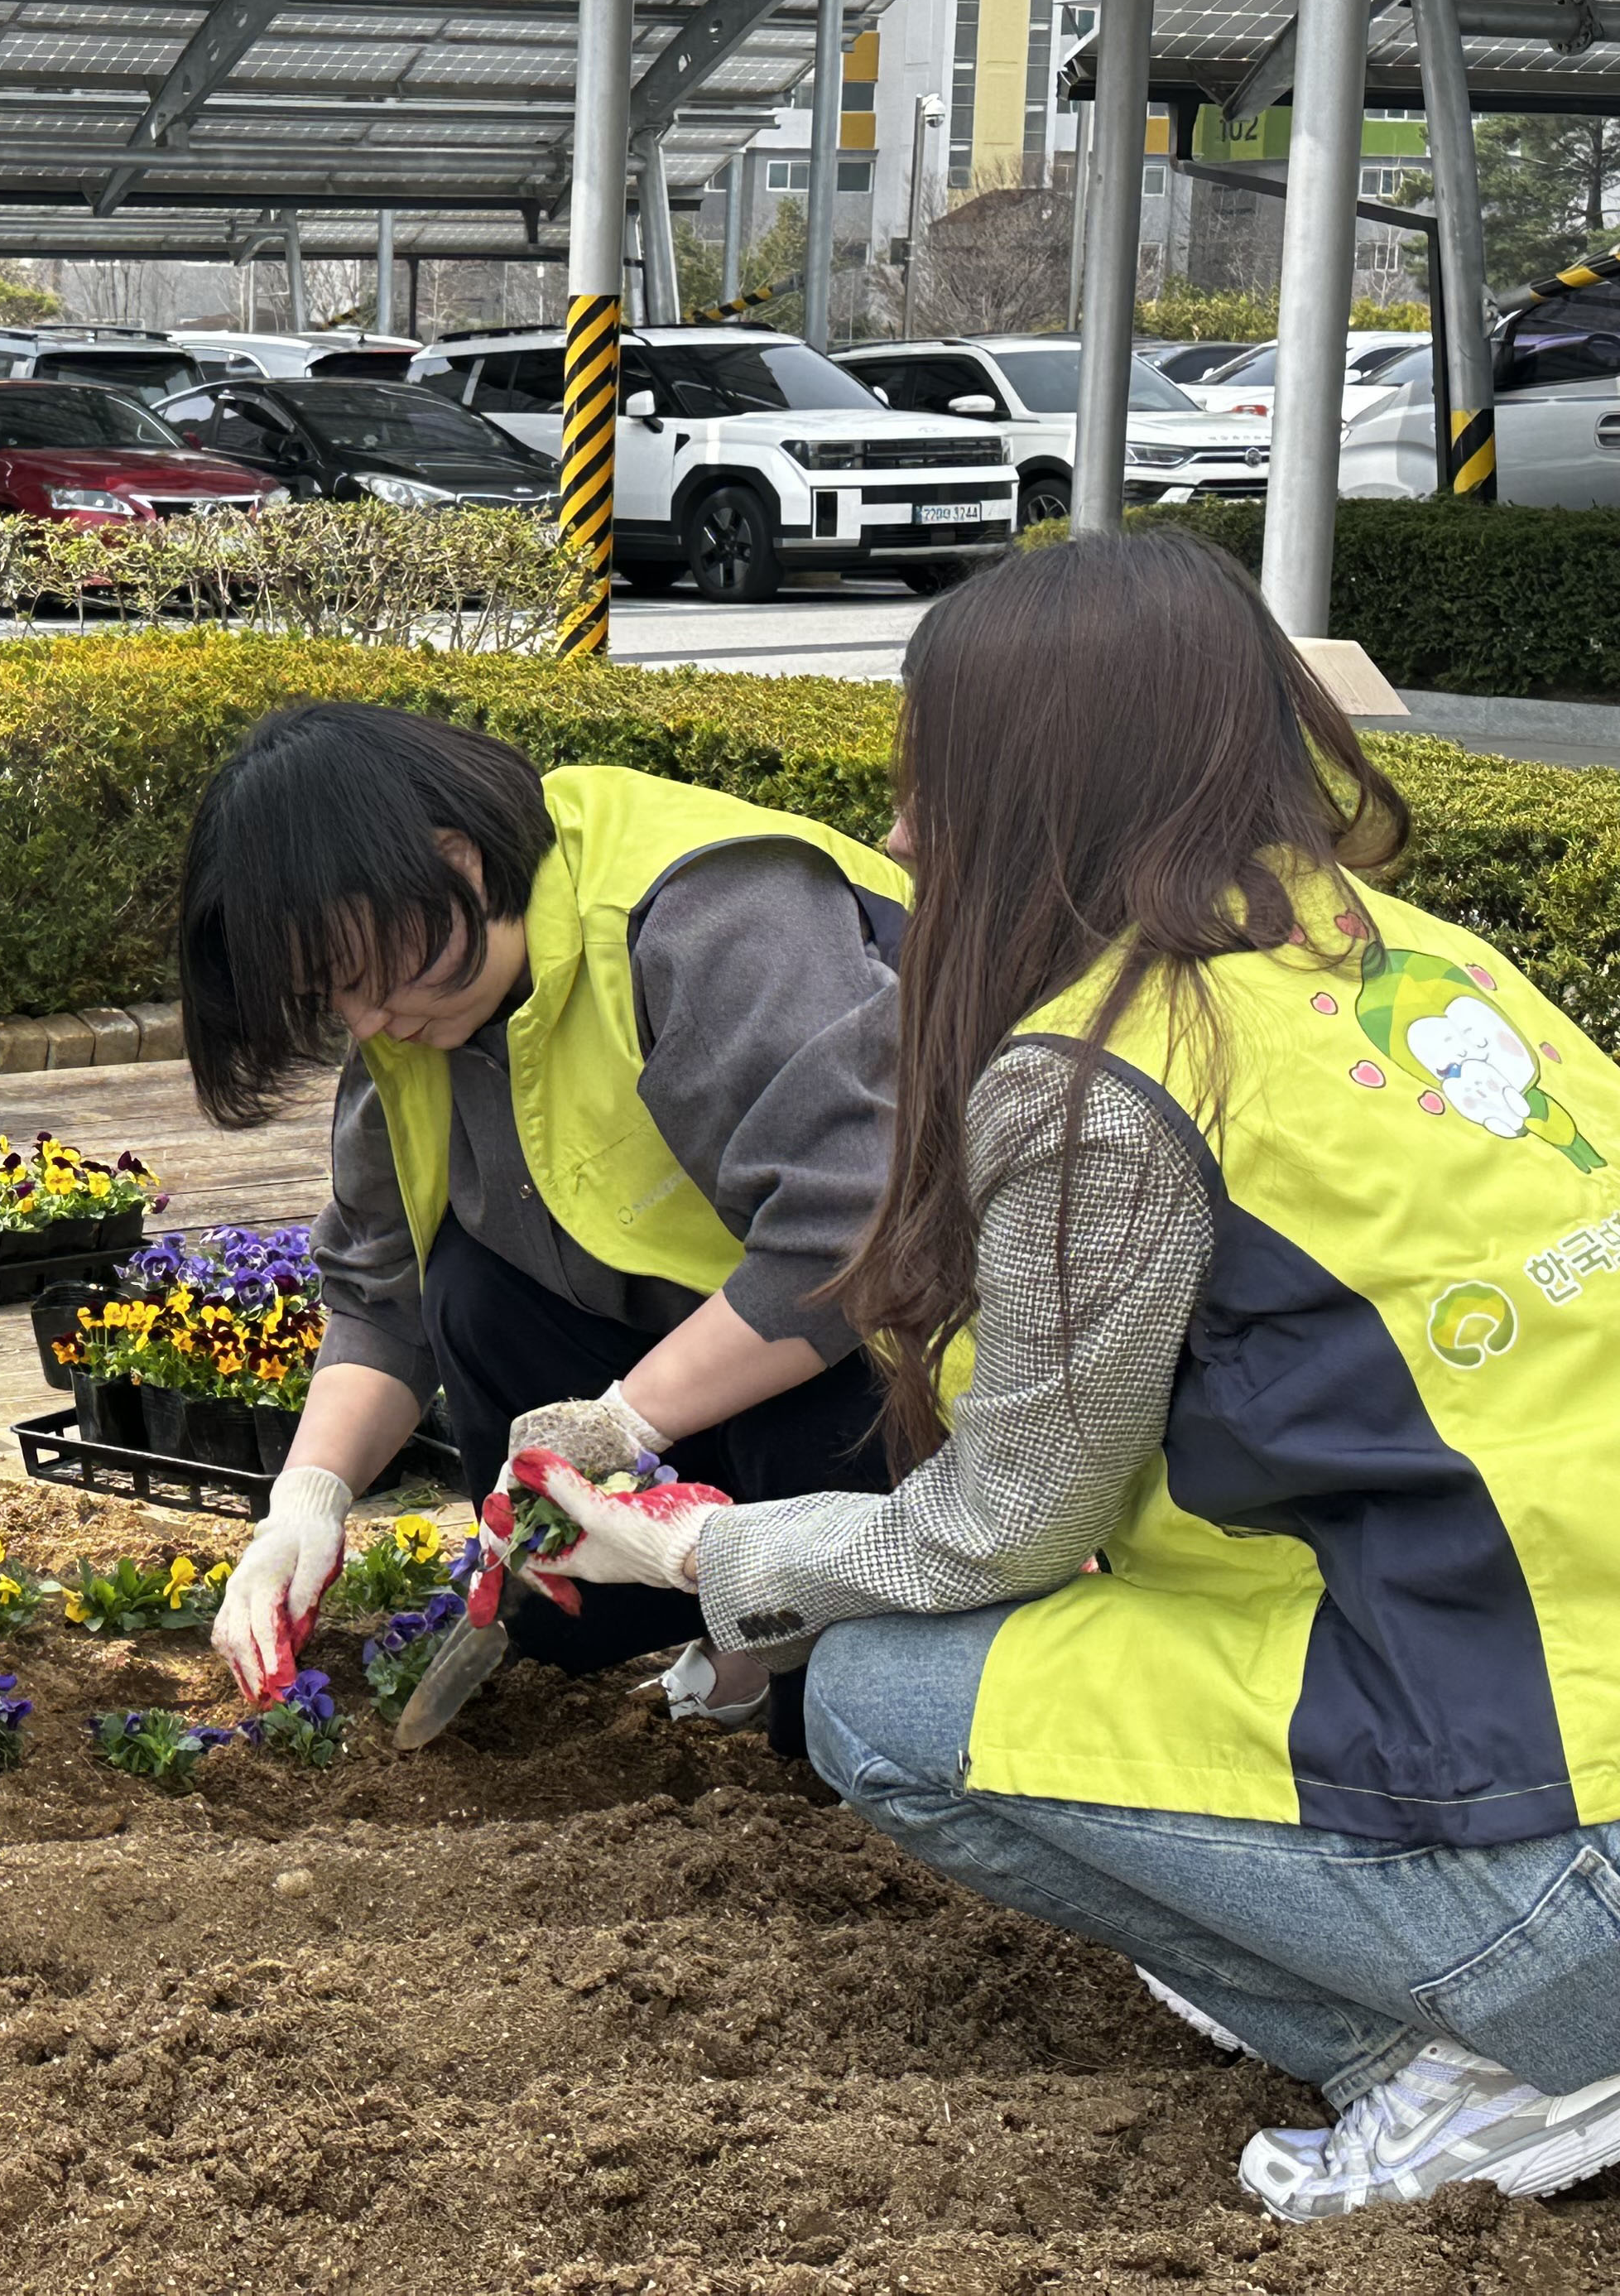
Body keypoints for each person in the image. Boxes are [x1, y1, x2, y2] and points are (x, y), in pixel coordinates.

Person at [517, 530, 1620, 2221]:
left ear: (1047, 790)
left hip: (1561, 1856)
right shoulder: (1431, 967)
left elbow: (1004, 1527)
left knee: (884, 1707)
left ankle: (1474, 2059)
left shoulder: (1115, 1064)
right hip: (1551, 1676)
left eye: (927, 780)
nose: (894, 834)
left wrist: (688, 1554)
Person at [189, 702, 911, 1737]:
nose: (366, 1024)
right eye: (328, 997)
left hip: (922, 1362)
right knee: (474, 1291)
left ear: (459, 864)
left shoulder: (708, 913)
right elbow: (380, 1299)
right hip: (728, 1355)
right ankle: (715, 1619)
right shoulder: (419, 1006)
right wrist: (305, 1505)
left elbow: (854, 1238)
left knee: (844, 1739)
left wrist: (626, 1425)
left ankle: (802, 1657)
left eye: (361, 979)